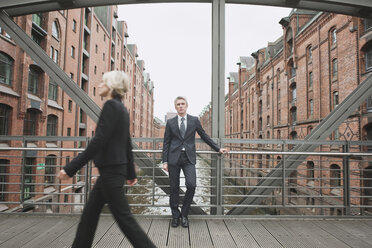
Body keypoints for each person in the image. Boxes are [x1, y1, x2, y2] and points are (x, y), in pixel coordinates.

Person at [57, 71, 156, 248]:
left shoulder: (111, 106)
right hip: (111, 173)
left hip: (111, 173)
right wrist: (131, 173)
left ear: (112, 86)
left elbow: (99, 141)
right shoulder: (122, 109)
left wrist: (71, 168)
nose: (100, 85)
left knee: (125, 221)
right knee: (89, 217)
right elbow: (126, 142)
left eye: (103, 82)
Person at [162, 96, 228, 228]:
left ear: (187, 106)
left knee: (191, 185)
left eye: (183, 104)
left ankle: (184, 214)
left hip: (188, 158)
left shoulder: (194, 120)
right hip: (173, 158)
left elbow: (204, 136)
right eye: (178, 104)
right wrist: (165, 161)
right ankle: (175, 216)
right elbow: (166, 142)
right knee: (174, 188)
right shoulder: (170, 122)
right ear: (176, 107)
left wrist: (218, 148)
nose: (181, 106)